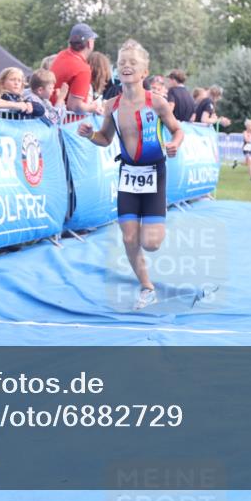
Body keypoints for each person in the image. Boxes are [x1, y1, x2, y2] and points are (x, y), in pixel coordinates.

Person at [77, 39, 183, 309]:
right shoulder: (112, 105)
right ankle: (147, 287)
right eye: (122, 62)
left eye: (133, 63)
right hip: (128, 175)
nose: (126, 66)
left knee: (151, 243)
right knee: (128, 238)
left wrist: (174, 144)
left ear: (144, 71)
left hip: (155, 173)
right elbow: (105, 139)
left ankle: (156, 222)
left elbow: (177, 129)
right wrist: (90, 135)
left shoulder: (157, 103)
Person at [50, 22, 103, 114]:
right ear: (89, 43)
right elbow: (74, 106)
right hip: (67, 121)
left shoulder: (61, 55)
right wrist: (93, 107)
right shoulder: (83, 69)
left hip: (51, 115)